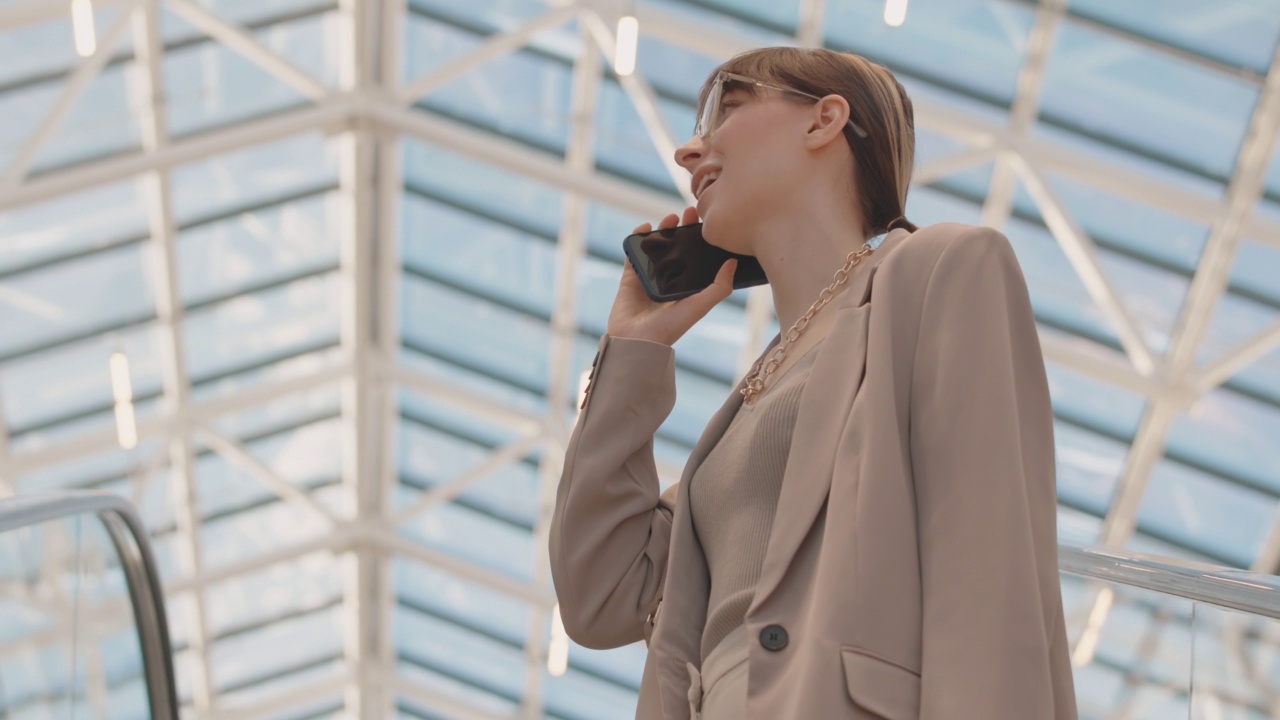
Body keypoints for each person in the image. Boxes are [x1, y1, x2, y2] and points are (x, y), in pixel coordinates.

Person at [549, 46, 1077, 719]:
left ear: (824, 121)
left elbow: (988, 571)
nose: (689, 151)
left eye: (727, 110)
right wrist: (632, 350)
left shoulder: (940, 271)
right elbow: (598, 595)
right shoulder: (749, 404)